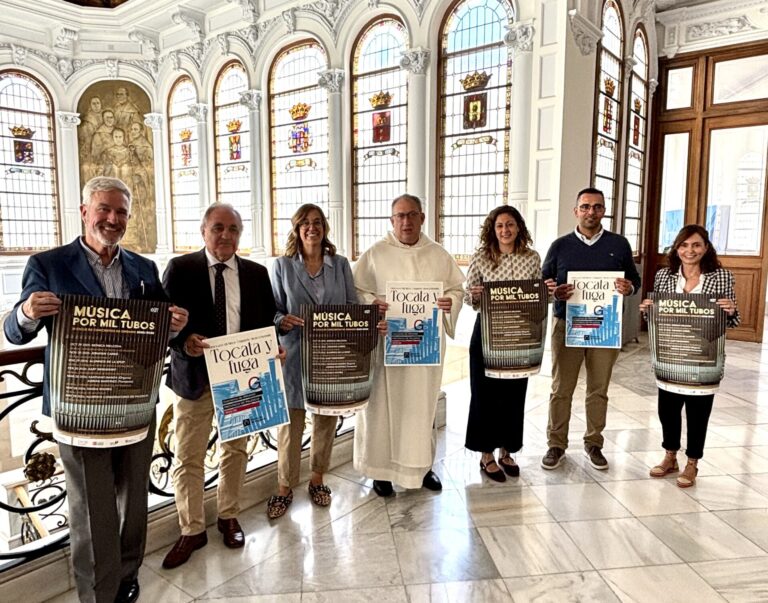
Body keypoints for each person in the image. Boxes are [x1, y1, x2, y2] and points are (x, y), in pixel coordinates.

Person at [3, 177, 188, 603]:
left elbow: (159, 325)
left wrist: (175, 326)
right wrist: (28, 311)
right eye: (104, 209)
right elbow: (14, 331)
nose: (112, 219)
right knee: (90, 507)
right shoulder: (48, 264)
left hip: (134, 403)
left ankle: (127, 574)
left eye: (121, 212)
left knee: (134, 500)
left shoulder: (144, 268)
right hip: (80, 408)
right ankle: (97, 593)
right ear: (85, 211)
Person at [161, 203, 280, 569]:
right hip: (194, 379)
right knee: (188, 457)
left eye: (233, 229)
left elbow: (266, 322)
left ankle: (228, 516)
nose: (225, 235)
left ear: (240, 234)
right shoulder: (180, 269)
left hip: (240, 379)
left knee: (236, 451)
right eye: (218, 228)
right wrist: (184, 341)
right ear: (204, 231)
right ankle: (192, 529)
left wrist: (273, 349)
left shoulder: (257, 273)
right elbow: (163, 323)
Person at [353, 194, 464, 496]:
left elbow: (457, 289)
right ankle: (380, 472)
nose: (406, 221)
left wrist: (449, 302)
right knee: (381, 409)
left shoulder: (438, 254)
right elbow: (357, 291)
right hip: (386, 345)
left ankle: (422, 468)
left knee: (421, 407)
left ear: (422, 218)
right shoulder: (375, 254)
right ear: (392, 220)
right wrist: (372, 304)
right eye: (400, 216)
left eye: (412, 215)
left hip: (424, 348)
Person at [266, 204, 357, 519]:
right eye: (305, 222)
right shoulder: (282, 266)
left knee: (325, 420)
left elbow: (352, 306)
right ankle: (284, 487)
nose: (311, 227)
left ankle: (317, 479)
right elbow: (273, 310)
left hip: (331, 354)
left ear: (324, 227)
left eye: (317, 222)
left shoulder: (340, 265)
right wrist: (282, 321)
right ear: (297, 228)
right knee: (290, 423)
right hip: (293, 354)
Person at [541, 187, 641, 471]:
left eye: (597, 207)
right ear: (576, 211)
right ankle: (556, 444)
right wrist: (554, 292)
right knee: (561, 388)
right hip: (567, 325)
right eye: (585, 206)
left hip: (605, 326)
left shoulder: (619, 244)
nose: (591, 212)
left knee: (598, 388)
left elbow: (634, 281)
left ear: (604, 211)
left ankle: (594, 442)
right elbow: (543, 283)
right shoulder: (560, 246)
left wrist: (629, 287)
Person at [640, 224, 739, 488]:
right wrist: (648, 310)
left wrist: (730, 310)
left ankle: (692, 462)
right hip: (671, 355)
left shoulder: (721, 277)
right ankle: (670, 456)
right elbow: (656, 318)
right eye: (684, 245)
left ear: (706, 248)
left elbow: (731, 320)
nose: (689, 250)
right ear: (676, 248)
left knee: (698, 412)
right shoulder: (664, 276)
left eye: (696, 245)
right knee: (667, 409)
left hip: (703, 356)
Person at [464, 206, 541, 481]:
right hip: (487, 333)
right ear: (492, 229)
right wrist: (474, 294)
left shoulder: (531, 258)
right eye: (499, 226)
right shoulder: (481, 257)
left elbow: (537, 295)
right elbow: (468, 298)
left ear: (518, 227)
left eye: (510, 224)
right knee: (484, 394)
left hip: (519, 335)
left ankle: (507, 451)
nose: (505, 230)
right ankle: (486, 454)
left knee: (514, 395)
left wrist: (548, 292)